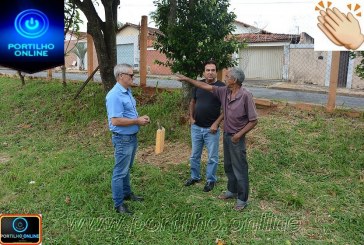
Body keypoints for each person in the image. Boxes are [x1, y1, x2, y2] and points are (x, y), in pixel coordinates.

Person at [177, 67, 258, 211]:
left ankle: (242, 199)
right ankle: (231, 191)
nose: (225, 78)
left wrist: (239, 135)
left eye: (227, 77)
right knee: (228, 165)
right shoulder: (225, 91)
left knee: (240, 168)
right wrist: (188, 80)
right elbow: (204, 86)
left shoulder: (246, 95)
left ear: (234, 80)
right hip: (227, 135)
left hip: (236, 138)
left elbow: (253, 121)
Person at [105, 63, 150, 215]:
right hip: (123, 139)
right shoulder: (114, 95)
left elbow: (127, 114)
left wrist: (138, 119)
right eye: (131, 75)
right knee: (120, 171)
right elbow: (116, 121)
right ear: (121, 76)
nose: (133, 77)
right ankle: (119, 204)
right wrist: (137, 121)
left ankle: (126, 193)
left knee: (126, 169)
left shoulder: (126, 91)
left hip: (131, 137)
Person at [184, 60, 225, 192]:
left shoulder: (221, 87)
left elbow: (226, 109)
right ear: (204, 72)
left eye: (213, 70)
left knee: (212, 157)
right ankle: (195, 176)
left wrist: (216, 123)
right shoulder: (198, 85)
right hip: (196, 127)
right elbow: (193, 102)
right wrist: (191, 117)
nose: (210, 73)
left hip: (211, 130)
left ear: (216, 72)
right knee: (194, 155)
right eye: (208, 70)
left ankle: (210, 180)